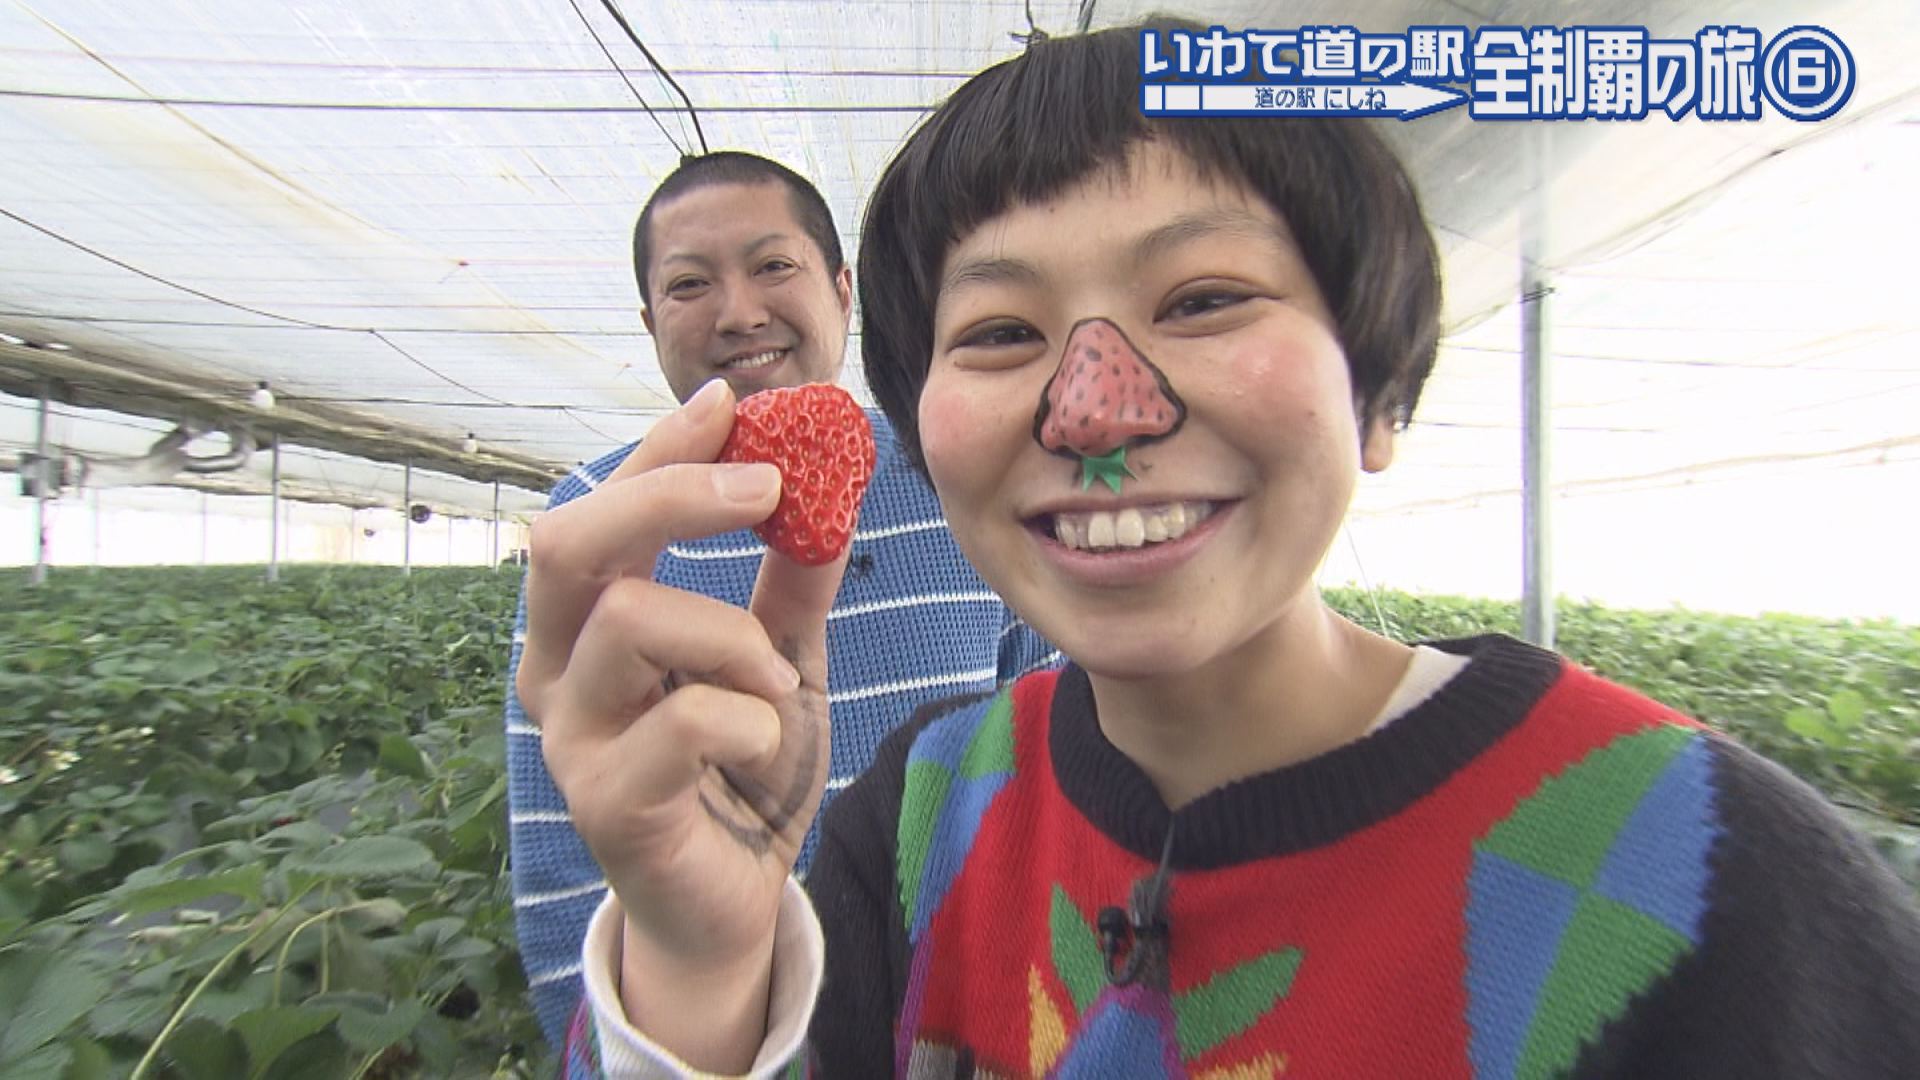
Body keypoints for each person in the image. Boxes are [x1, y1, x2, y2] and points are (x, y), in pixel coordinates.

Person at [533, 20, 1920, 1079]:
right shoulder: (916, 820)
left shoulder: (1708, 873)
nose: (1096, 409)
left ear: (1376, 390)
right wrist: (696, 961)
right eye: (1001, 333)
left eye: (1204, 296)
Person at [504, 151, 1057, 1047]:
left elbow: (1056, 765)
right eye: (689, 285)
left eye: (773, 266)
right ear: (650, 323)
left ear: (843, 292)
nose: (739, 311)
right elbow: (564, 863)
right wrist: (651, 1041)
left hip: (976, 1024)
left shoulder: (959, 474)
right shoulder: (593, 527)